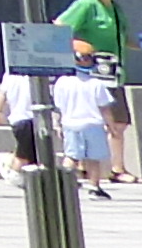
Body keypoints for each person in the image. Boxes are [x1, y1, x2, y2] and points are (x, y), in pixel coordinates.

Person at [51, 54, 119, 192]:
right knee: (94, 158)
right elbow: (104, 108)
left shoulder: (61, 82)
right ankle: (94, 187)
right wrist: (112, 127)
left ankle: (64, 184)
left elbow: (57, 106)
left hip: (70, 124)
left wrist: (56, 124)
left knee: (71, 156)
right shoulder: (96, 83)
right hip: (93, 124)